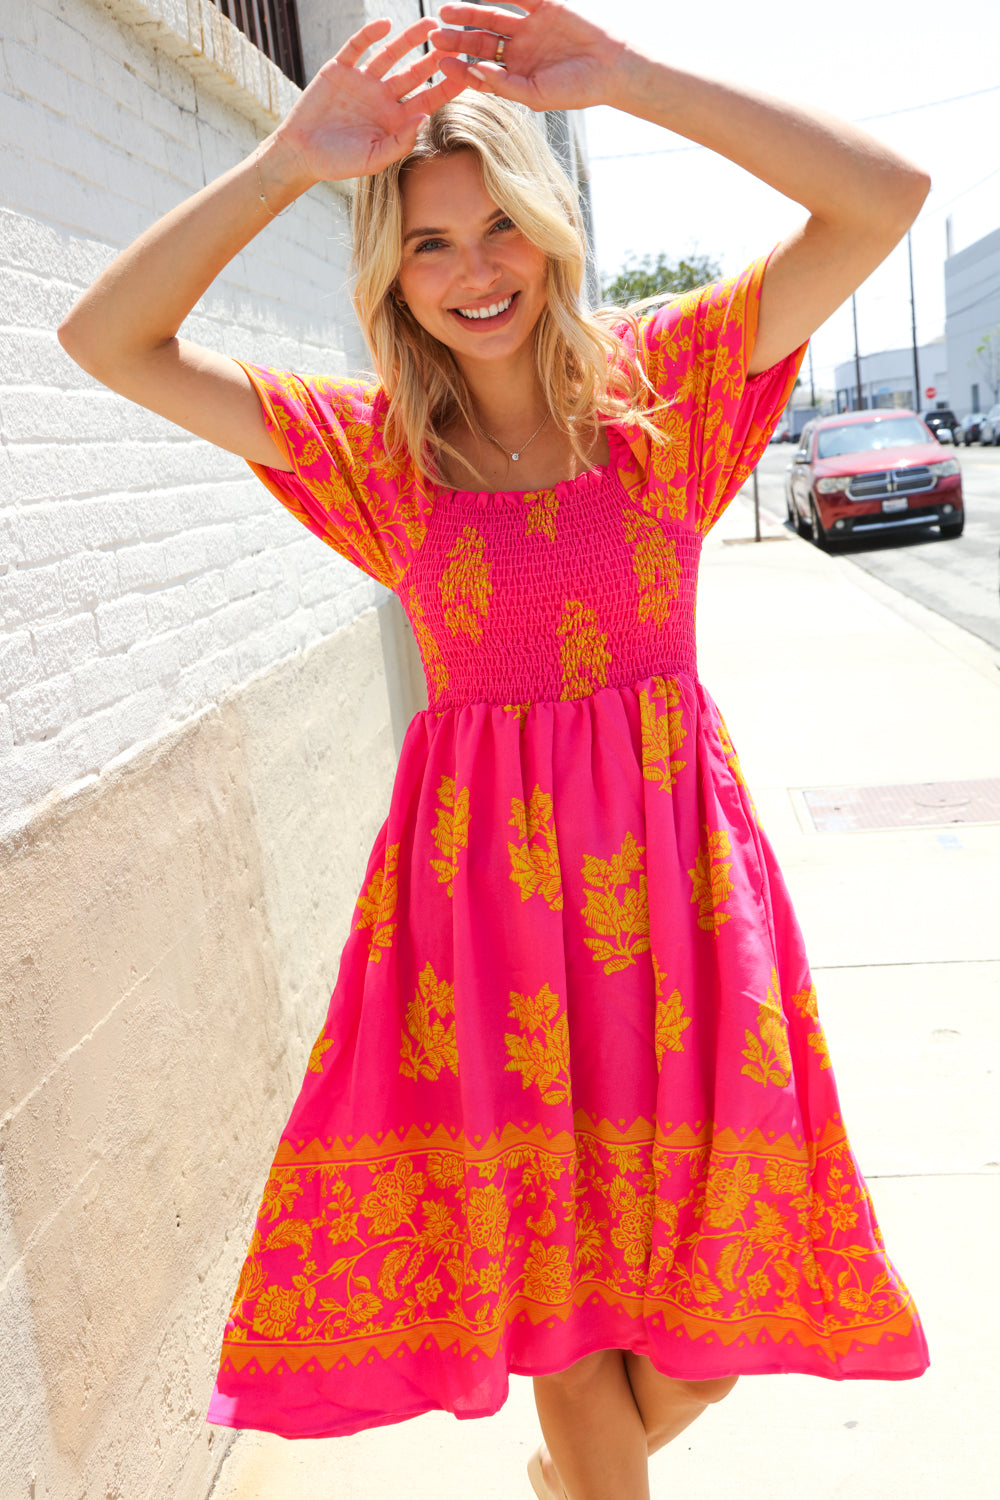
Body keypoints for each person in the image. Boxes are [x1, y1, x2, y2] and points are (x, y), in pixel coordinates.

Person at [58, 4, 931, 1496]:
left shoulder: (671, 393)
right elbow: (108, 339)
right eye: (429, 244)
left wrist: (637, 80)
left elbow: (885, 201)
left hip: (677, 916)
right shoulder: (378, 453)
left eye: (498, 230)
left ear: (549, 226)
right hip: (489, 941)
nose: (477, 273)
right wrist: (291, 157)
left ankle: (570, 1475)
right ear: (390, 273)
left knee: (714, 1327)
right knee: (570, 1328)